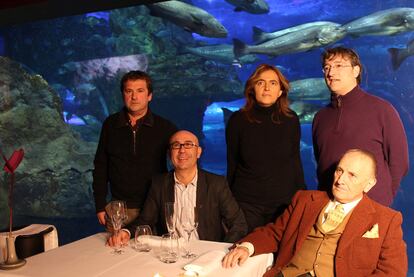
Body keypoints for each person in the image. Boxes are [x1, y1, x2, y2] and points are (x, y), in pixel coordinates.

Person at [222, 149, 407, 277]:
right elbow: (275, 232)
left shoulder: (387, 219)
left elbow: (392, 271)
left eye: (352, 175)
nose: (340, 180)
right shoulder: (305, 200)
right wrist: (247, 246)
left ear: (369, 184)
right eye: (339, 171)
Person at [107, 130, 247, 246]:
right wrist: (126, 232)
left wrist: (222, 250)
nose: (182, 150)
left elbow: (238, 223)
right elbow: (145, 220)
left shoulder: (216, 184)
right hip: (171, 253)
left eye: (188, 145)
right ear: (169, 154)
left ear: (198, 152)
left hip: (205, 253)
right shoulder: (159, 184)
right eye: (176, 145)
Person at [312, 47, 409, 206]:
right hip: (329, 206)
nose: (331, 73)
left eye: (338, 66)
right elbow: (320, 161)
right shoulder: (320, 117)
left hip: (372, 205)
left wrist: (383, 197)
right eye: (327, 67)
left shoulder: (382, 109)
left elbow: (400, 161)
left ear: (356, 70)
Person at [226, 64, 305, 232]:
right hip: (247, 202)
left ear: (281, 91)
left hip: (283, 203)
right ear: (252, 88)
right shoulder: (237, 120)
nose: (267, 87)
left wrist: (302, 196)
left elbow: (295, 161)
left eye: (273, 83)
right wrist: (228, 201)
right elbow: (232, 163)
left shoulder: (291, 120)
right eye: (261, 82)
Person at [92, 70, 177, 228]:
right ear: (123, 94)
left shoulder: (164, 127)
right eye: (129, 91)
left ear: (149, 95)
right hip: (119, 209)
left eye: (140, 91)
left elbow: (182, 159)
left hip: (154, 207)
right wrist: (99, 204)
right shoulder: (110, 125)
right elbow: (100, 167)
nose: (134, 97)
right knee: (115, 251)